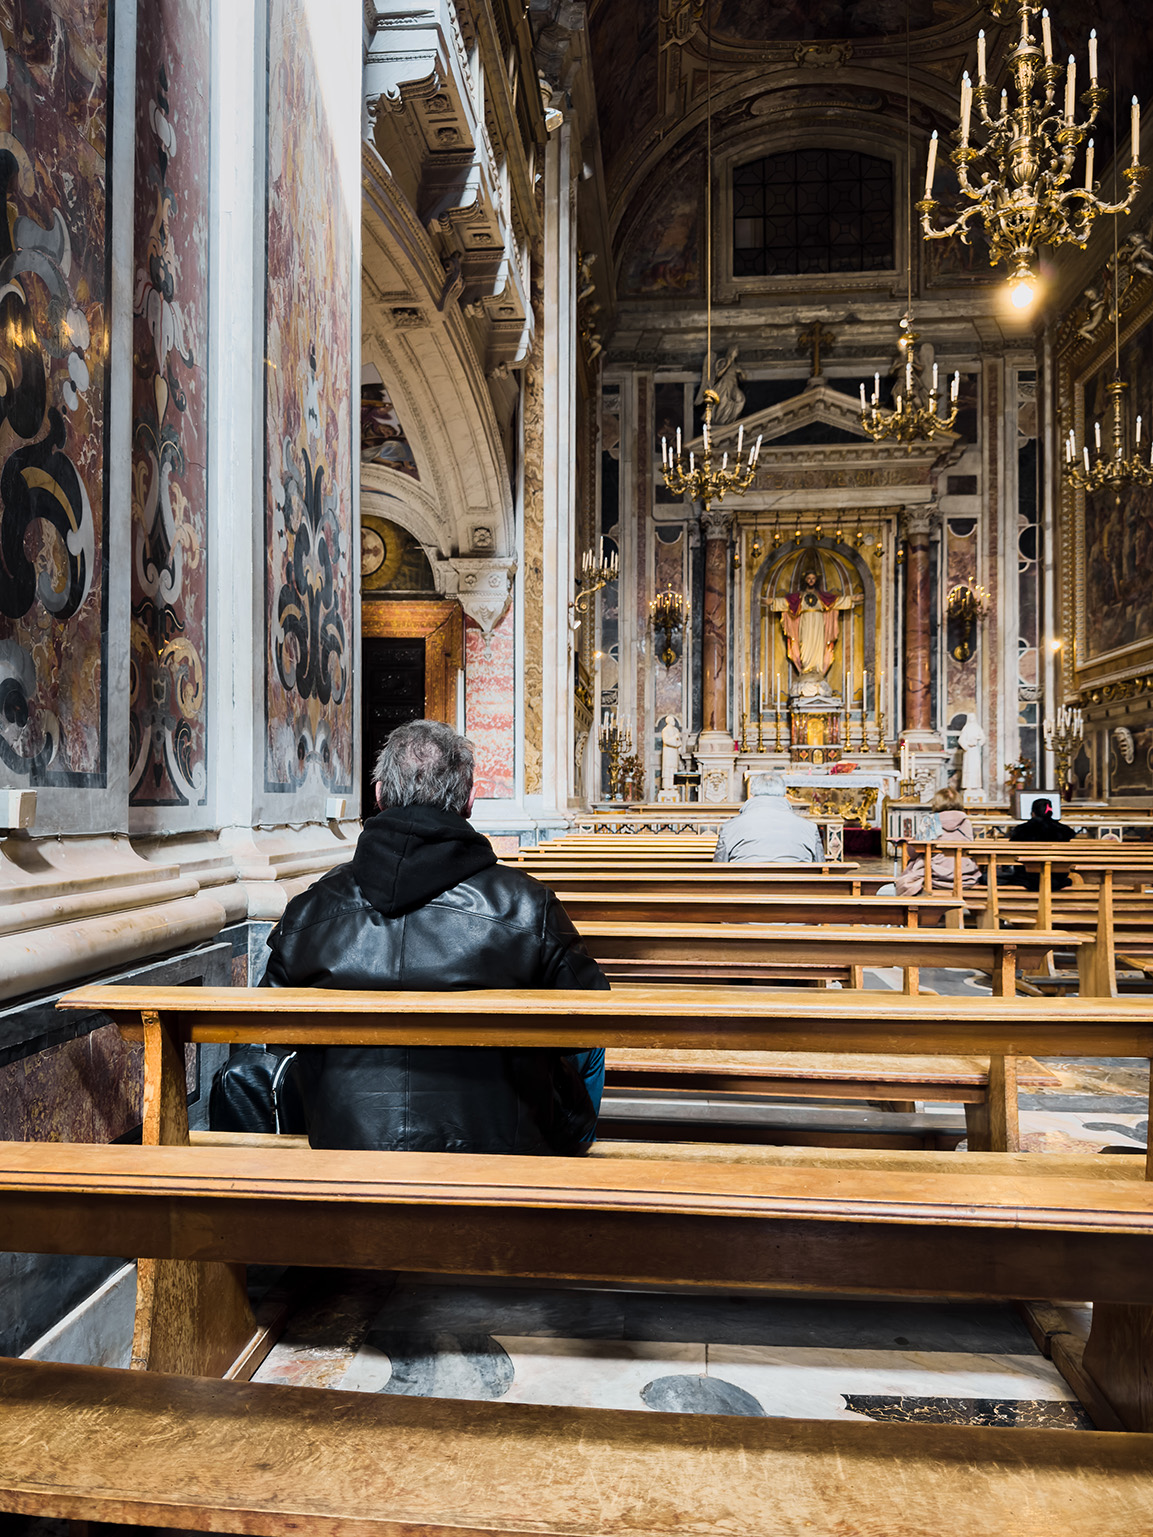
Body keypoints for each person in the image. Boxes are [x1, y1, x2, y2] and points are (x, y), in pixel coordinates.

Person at [260, 720, 608, 1155]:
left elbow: (267, 1032)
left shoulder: (309, 909)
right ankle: (565, 1159)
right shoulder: (526, 906)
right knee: (587, 1045)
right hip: (501, 1148)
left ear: (380, 795)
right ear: (469, 800)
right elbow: (594, 1016)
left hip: (345, 1140)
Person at [764, 566, 862, 696]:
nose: (811, 581)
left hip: (818, 624)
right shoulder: (799, 597)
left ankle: (816, 670)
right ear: (805, 580)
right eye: (809, 578)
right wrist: (772, 601)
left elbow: (837, 602)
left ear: (816, 580)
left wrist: (852, 599)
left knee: (818, 648)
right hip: (805, 623)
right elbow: (785, 603)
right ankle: (806, 670)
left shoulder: (822, 598)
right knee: (804, 647)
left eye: (813, 579)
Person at [887, 787, 981, 896]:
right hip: (964, 875)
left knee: (908, 877)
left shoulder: (931, 821)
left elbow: (913, 853)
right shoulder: (966, 822)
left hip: (935, 875)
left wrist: (913, 842)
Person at [713, 772, 824, 863]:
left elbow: (718, 869)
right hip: (797, 889)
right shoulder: (810, 828)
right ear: (784, 794)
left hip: (745, 889)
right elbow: (821, 868)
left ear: (752, 794)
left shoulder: (729, 827)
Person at [1007, 795, 1076, 892]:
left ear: (1033, 813)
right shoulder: (1065, 830)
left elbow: (1010, 851)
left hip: (1027, 877)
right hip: (1057, 878)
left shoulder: (1021, 830)